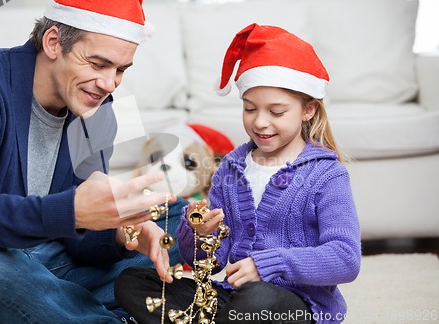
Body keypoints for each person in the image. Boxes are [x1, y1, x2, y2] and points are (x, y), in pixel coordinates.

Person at [0, 0, 187, 323]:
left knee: (178, 217)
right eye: (98, 64)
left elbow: (82, 239)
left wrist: (122, 233)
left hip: (51, 260)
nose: (109, 83)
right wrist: (69, 212)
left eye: (120, 70)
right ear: (53, 42)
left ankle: (61, 305)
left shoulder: (99, 111)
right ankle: (105, 309)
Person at [115, 23, 361, 324]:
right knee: (132, 282)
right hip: (231, 298)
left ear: (308, 110)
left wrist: (267, 264)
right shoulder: (231, 169)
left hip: (296, 306)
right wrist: (199, 233)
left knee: (257, 300)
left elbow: (345, 259)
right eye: (249, 109)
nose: (260, 122)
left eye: (276, 112)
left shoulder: (326, 174)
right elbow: (208, 261)